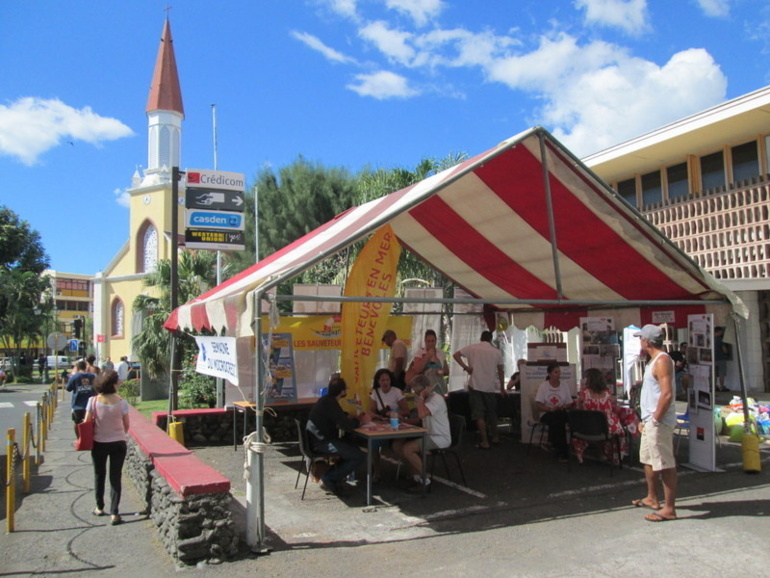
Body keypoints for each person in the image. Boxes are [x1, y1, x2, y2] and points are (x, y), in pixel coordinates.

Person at [633, 324, 677, 522]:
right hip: (650, 419)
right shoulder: (653, 361)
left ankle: (669, 508)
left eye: (641, 338)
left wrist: (655, 419)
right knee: (648, 459)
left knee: (664, 463)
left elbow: (666, 394)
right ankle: (652, 497)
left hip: (658, 420)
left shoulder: (662, 361)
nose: (640, 341)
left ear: (647, 342)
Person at [306, 376, 370, 496]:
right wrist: (361, 422)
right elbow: (346, 426)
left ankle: (334, 475)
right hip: (321, 443)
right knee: (358, 456)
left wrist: (350, 416)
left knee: (351, 448)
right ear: (342, 391)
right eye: (345, 389)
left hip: (316, 440)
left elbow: (338, 416)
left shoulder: (326, 400)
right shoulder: (330, 403)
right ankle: (329, 477)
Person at [84, 369, 130, 526]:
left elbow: (86, 423)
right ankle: (115, 513)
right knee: (115, 477)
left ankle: (99, 507)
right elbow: (127, 426)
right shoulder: (122, 402)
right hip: (118, 443)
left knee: (99, 474)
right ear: (114, 383)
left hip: (99, 442)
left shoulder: (93, 401)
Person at [392, 374, 451, 492]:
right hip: (428, 434)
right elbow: (419, 419)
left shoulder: (436, 399)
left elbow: (422, 414)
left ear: (426, 388)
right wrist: (404, 421)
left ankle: (425, 480)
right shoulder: (425, 399)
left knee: (408, 449)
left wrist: (421, 398)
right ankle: (416, 476)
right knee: (397, 445)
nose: (416, 393)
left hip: (439, 437)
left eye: (418, 391)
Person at [453, 330, 505, 449]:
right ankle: (496, 436)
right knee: (492, 413)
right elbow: (501, 371)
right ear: (491, 339)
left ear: (481, 338)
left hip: (475, 385)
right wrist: (502, 387)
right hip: (490, 387)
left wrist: (466, 368)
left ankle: (485, 441)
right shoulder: (496, 352)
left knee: (479, 414)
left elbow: (456, 355)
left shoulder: (472, 348)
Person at [573, 368, 626, 464]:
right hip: (605, 429)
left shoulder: (584, 393)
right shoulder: (607, 394)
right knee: (619, 431)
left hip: (587, 428)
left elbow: (579, 409)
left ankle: (596, 452)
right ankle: (615, 456)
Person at [368, 368, 409, 480]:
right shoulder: (376, 392)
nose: (385, 382)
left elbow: (406, 410)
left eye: (387, 380)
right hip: (383, 425)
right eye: (382, 380)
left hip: (397, 425)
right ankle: (376, 471)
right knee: (373, 444)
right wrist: (378, 416)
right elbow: (371, 410)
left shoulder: (397, 392)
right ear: (378, 381)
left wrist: (394, 413)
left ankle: (410, 470)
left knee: (399, 446)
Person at [534, 362, 574, 461]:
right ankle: (562, 451)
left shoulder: (564, 386)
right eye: (556, 372)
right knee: (557, 419)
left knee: (558, 417)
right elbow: (539, 404)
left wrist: (563, 406)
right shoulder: (543, 386)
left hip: (561, 412)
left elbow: (569, 403)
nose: (558, 374)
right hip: (547, 413)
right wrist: (549, 409)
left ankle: (555, 444)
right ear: (549, 374)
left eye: (559, 372)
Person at [405, 329, 449, 394]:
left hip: (439, 387)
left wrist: (440, 372)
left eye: (432, 341)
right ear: (425, 341)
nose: (431, 343)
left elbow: (446, 371)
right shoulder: (420, 353)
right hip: (424, 388)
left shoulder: (441, 353)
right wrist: (427, 356)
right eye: (428, 341)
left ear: (436, 340)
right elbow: (417, 369)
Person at [66, 360, 97, 438]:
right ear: (85, 367)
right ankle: (89, 438)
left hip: (77, 404)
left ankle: (79, 438)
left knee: (77, 422)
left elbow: (68, 388)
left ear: (77, 368)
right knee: (90, 422)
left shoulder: (74, 377)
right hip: (90, 403)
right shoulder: (92, 376)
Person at [714, 326, 729, 391]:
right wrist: (726, 353)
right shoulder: (720, 340)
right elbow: (724, 349)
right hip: (721, 358)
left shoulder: (711, 340)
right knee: (721, 373)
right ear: (719, 332)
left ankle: (714, 386)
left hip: (713, 359)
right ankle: (722, 386)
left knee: (714, 373)